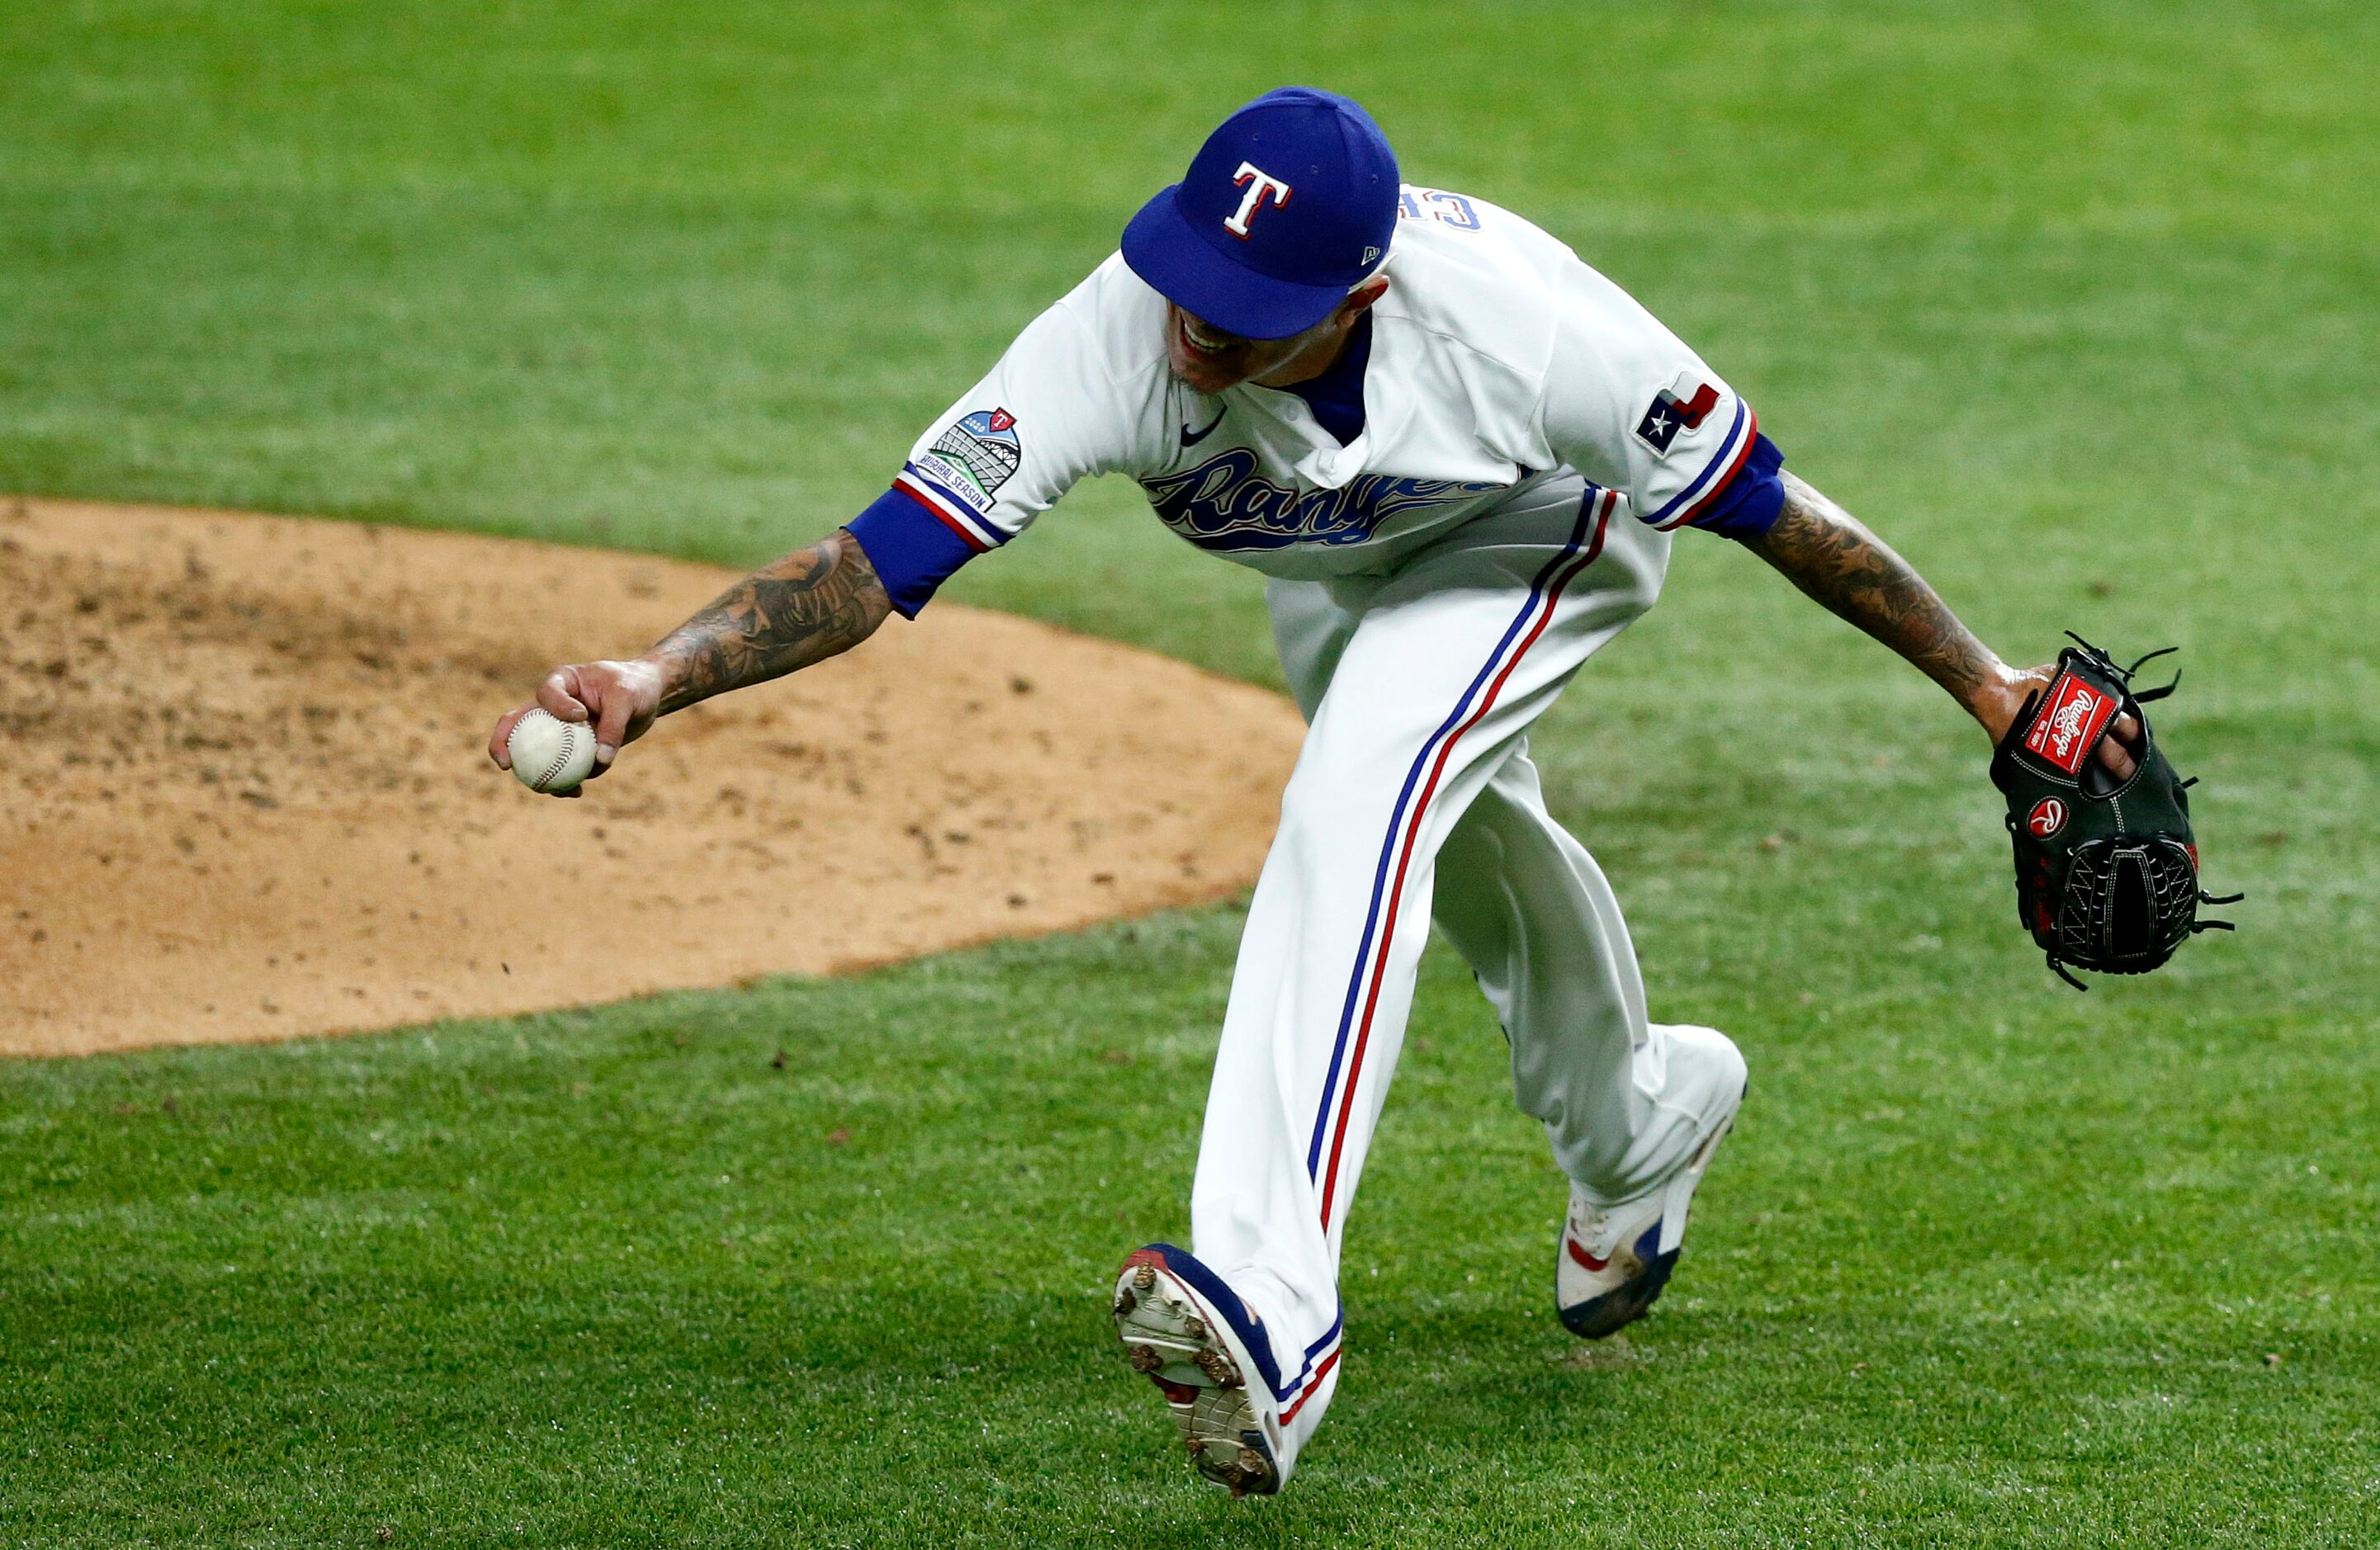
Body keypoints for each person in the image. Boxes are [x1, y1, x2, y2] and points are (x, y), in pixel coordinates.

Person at [487, 87, 2138, 1497]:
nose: (1194, 325)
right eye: (1187, 277)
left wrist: (1986, 686)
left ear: (1356, 291)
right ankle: (1640, 1118)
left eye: (1244, 303)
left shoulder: (1533, 335)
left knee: (1357, 798)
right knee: (1460, 831)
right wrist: (653, 674)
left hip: (1532, 543)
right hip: (1332, 567)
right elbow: (876, 558)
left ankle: (1273, 1316)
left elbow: (1775, 509)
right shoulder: (1117, 340)